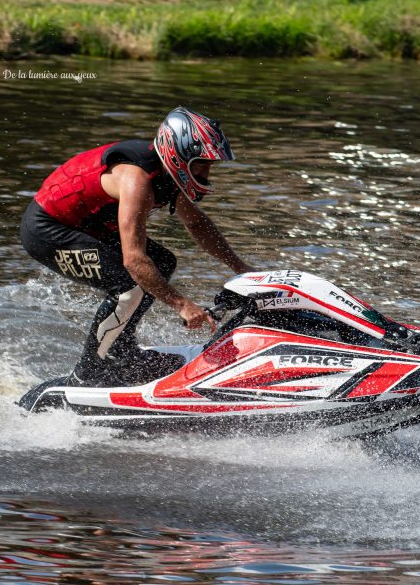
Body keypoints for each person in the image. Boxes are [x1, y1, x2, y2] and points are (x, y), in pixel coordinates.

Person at [20, 107, 255, 387]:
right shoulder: (137, 179)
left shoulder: (169, 176)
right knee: (128, 286)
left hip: (87, 227)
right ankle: (89, 373)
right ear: (177, 156)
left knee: (163, 262)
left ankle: (120, 352)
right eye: (201, 164)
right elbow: (133, 260)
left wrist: (241, 268)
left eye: (209, 166)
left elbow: (197, 225)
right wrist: (182, 305)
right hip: (48, 231)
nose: (206, 172)